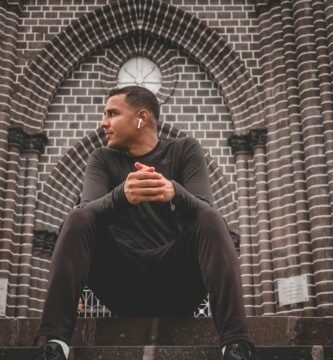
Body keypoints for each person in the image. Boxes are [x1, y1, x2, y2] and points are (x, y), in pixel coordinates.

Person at [30, 86, 259, 360]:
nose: (103, 123)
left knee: (210, 217)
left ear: (141, 118)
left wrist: (174, 192)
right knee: (78, 217)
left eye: (112, 114)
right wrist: (121, 196)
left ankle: (236, 345)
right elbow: (86, 211)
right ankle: (55, 345)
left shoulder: (185, 150)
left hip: (178, 287)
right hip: (121, 286)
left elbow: (204, 207)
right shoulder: (102, 159)